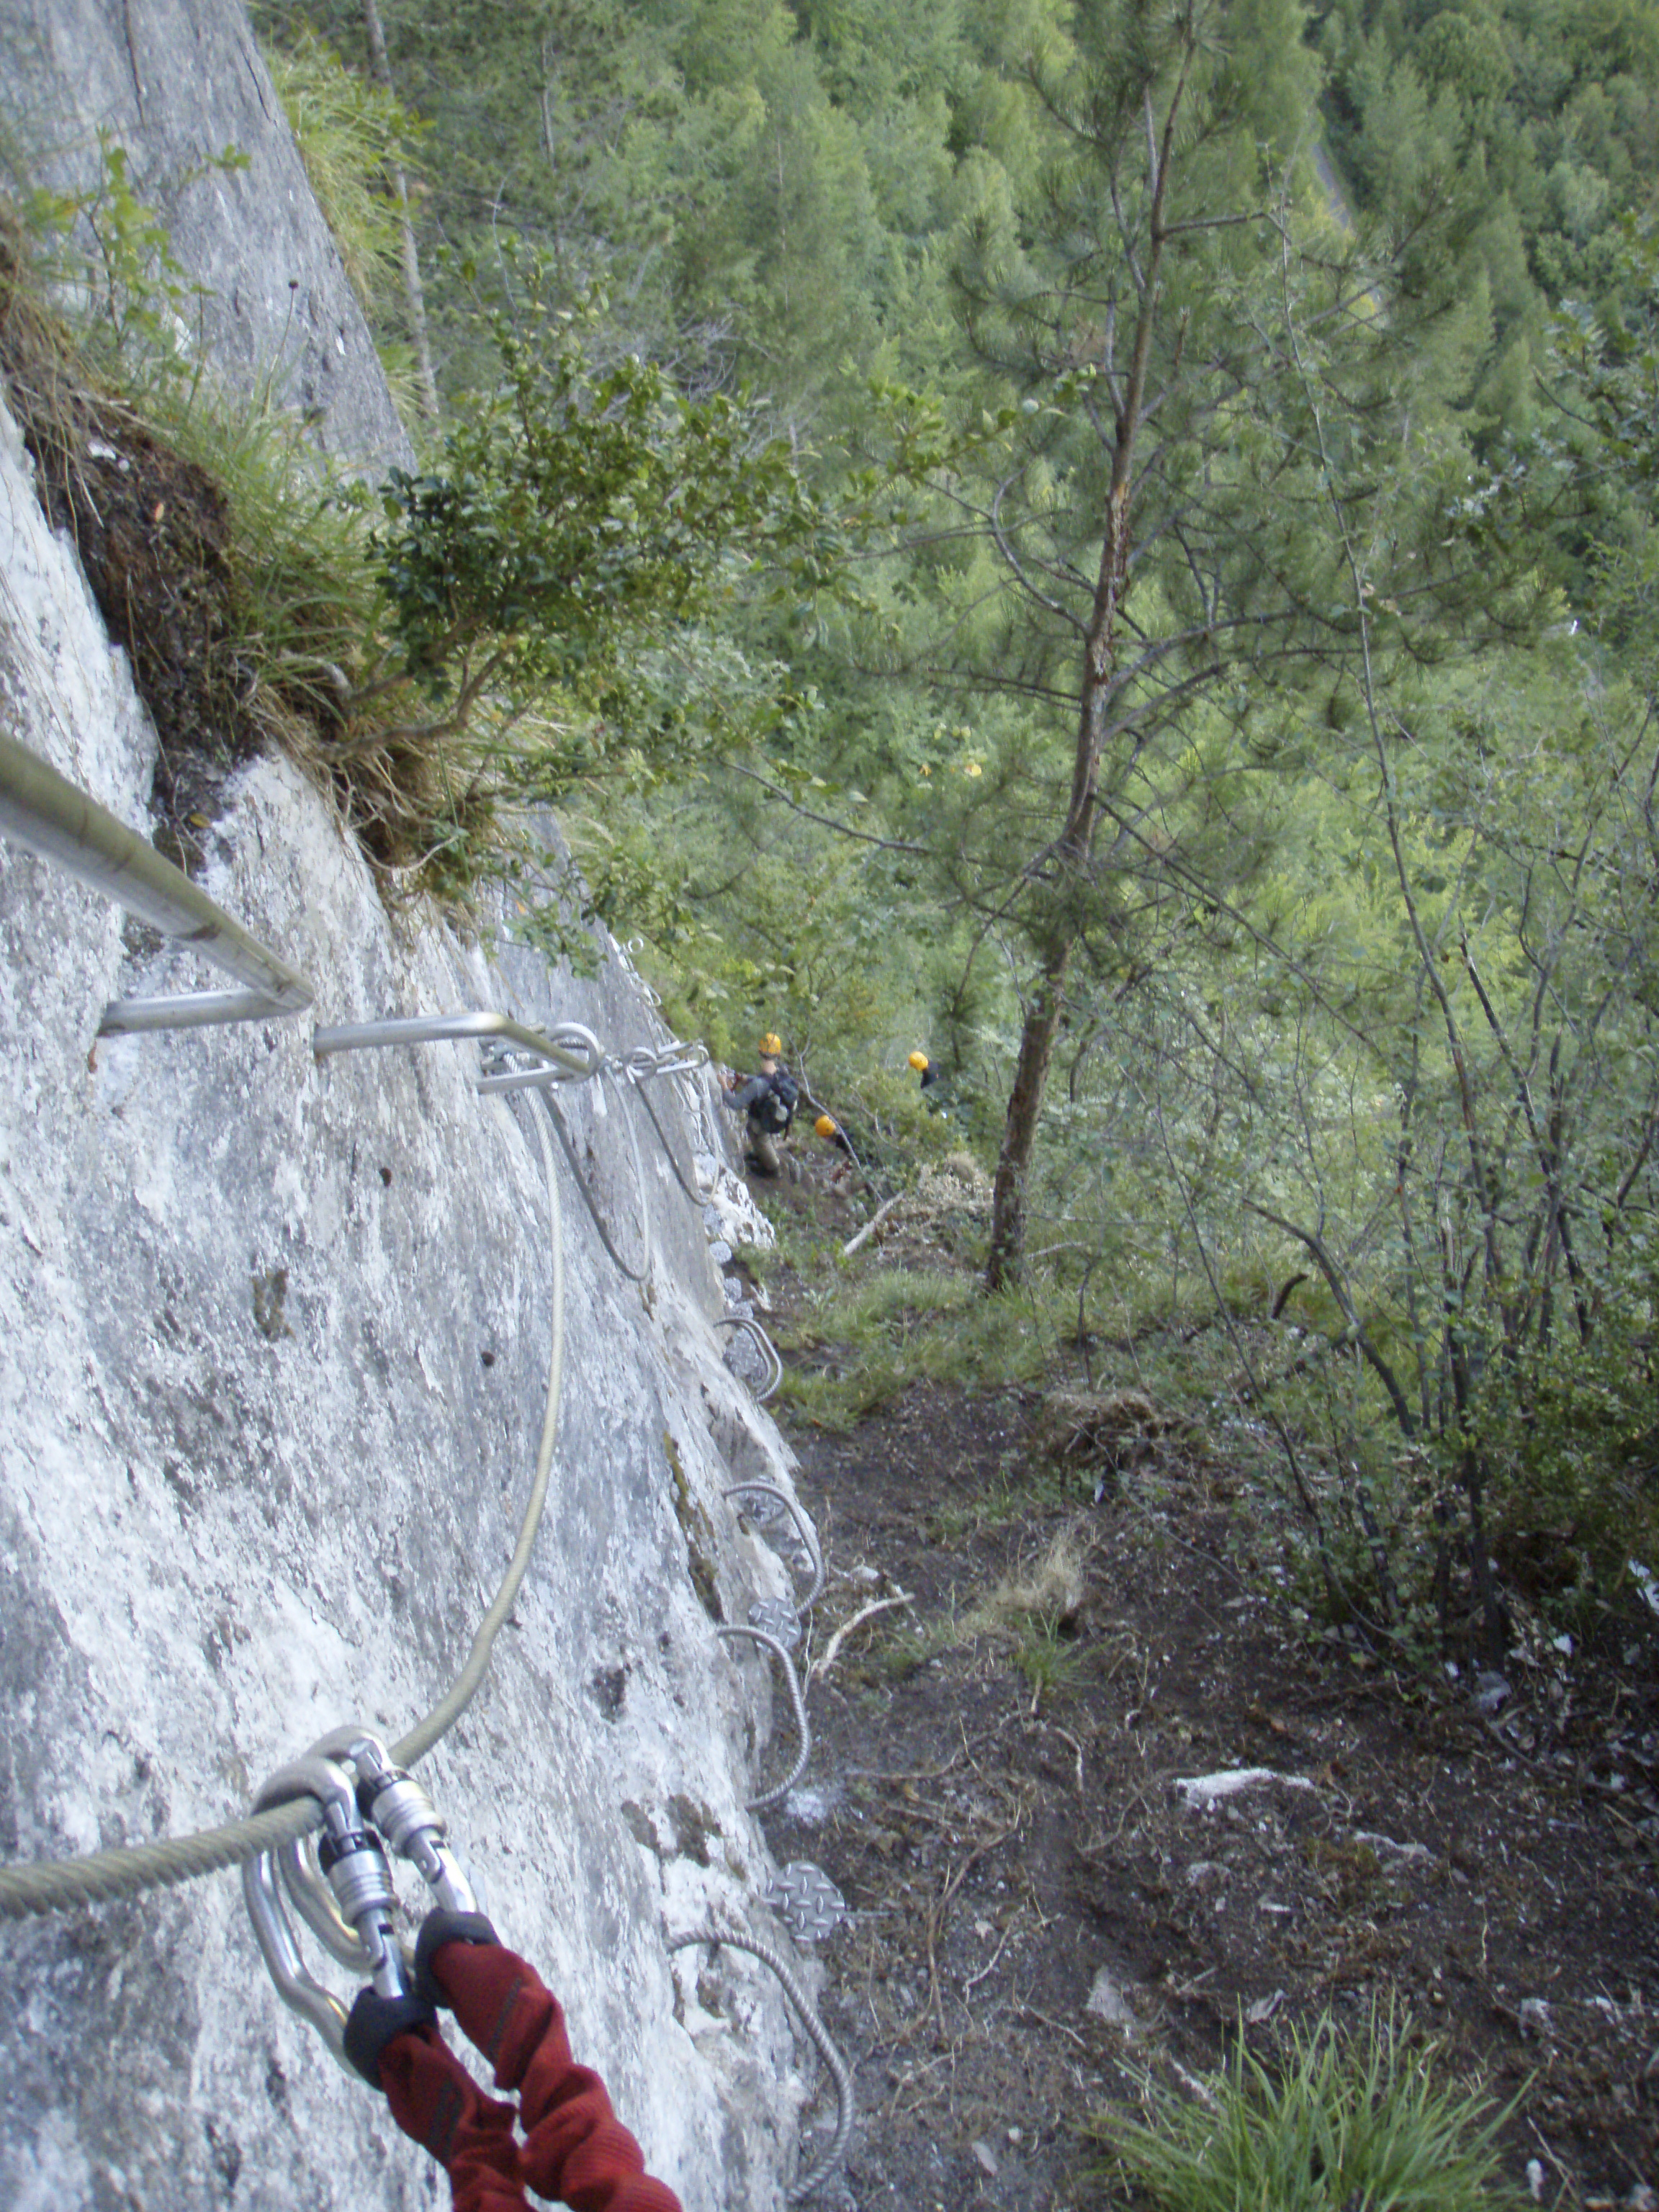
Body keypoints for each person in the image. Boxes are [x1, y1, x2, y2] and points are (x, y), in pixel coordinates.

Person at [721, 1034, 799, 1177]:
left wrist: (724, 1085)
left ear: (759, 1051)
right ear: (778, 1054)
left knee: (758, 1134)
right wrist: (744, 1078)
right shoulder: (780, 1072)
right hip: (772, 1113)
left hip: (763, 1120)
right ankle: (760, 1154)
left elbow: (735, 1104)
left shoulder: (758, 1084)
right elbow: (765, 1082)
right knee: (759, 1134)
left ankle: (773, 1169)